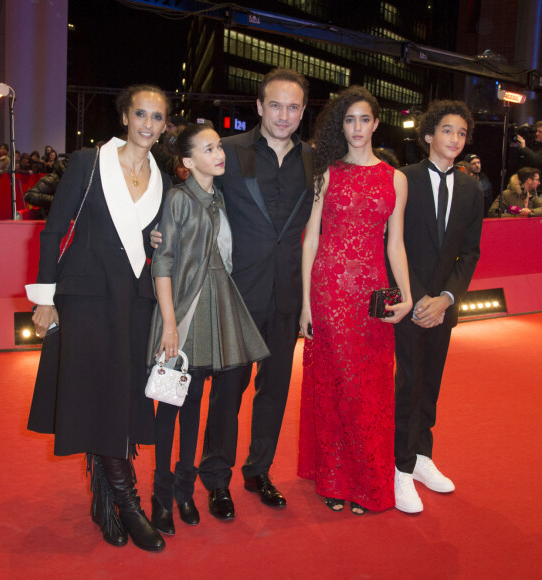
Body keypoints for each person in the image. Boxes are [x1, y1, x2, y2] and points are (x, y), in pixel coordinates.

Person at [25, 84, 171, 551]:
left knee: (123, 397)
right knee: (97, 396)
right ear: (126, 116)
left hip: (134, 300)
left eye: (158, 118)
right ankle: (127, 505)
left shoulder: (162, 174)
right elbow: (53, 230)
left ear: (166, 125)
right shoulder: (89, 163)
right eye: (141, 115)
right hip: (85, 296)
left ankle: (105, 503)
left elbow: (154, 238)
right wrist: (45, 296)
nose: (149, 125)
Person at [197, 67, 315, 519]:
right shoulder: (228, 152)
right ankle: (215, 478)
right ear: (260, 107)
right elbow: (192, 197)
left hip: (286, 294)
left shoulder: (312, 159)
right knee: (228, 391)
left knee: (275, 391)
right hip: (236, 294)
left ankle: (259, 470)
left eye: (293, 107)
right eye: (276, 105)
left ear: (303, 112)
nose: (284, 115)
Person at [147, 124, 269, 536]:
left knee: (196, 403)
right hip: (184, 312)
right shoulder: (179, 199)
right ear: (186, 161)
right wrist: (168, 326)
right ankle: (162, 494)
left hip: (218, 303)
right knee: (173, 402)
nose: (219, 154)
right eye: (209, 148)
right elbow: (162, 263)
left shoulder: (219, 196)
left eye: (219, 146)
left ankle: (184, 488)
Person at [298, 86, 412, 515]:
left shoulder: (395, 178)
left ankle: (366, 482)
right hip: (329, 292)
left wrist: (406, 296)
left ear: (377, 122)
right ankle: (333, 478)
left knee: (369, 389)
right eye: (349, 120)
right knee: (335, 384)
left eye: (365, 119)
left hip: (373, 296)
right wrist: (306, 302)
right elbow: (311, 240)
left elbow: (395, 243)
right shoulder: (326, 172)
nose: (358, 128)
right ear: (339, 125)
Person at [390, 100, 483, 514]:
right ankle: (401, 467)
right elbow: (390, 244)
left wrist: (446, 299)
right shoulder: (403, 179)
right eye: (447, 130)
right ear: (428, 135)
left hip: (441, 306)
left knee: (431, 384)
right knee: (407, 386)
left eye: (461, 133)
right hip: (408, 301)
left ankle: (423, 457)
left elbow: (470, 252)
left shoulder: (470, 188)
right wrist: (414, 298)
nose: (455, 139)